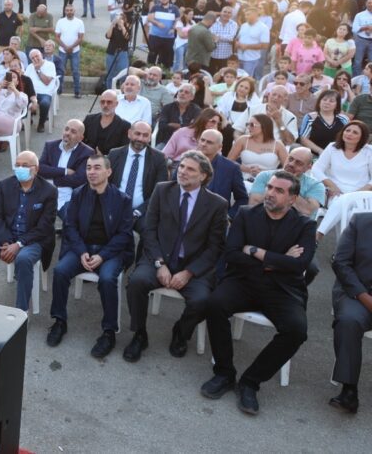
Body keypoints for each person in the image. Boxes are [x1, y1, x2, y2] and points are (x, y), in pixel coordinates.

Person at [201, 172, 315, 416]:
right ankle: (224, 373)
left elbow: (299, 265)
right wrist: (279, 260)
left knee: (296, 331)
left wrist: (255, 251)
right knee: (214, 304)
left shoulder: (305, 225)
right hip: (244, 282)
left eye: (279, 190)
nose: (270, 193)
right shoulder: (246, 214)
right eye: (269, 187)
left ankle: (250, 382)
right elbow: (232, 254)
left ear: (293, 198)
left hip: (282, 289)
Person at [123, 150, 228, 364]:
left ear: (203, 176)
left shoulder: (217, 204)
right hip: (159, 257)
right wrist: (159, 264)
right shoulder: (162, 190)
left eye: (190, 169)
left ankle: (181, 332)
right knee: (136, 282)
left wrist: (189, 273)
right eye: (181, 166)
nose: (182, 172)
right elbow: (149, 231)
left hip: (193, 265)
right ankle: (139, 334)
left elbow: (215, 247)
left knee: (203, 300)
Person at [47, 154, 135, 357]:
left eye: (97, 168)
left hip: (110, 251)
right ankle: (59, 321)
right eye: (88, 168)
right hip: (83, 248)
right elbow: (70, 226)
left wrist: (102, 256)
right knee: (60, 271)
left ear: (108, 172)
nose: (91, 172)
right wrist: (81, 252)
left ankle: (109, 332)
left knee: (107, 279)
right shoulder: (79, 194)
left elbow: (124, 235)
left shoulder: (122, 199)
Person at [0, 151, 58, 313]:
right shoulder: (4, 185)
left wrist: (18, 244)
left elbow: (44, 227)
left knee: (23, 259)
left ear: (36, 169)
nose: (20, 168)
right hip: (6, 236)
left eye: (25, 165)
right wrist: (8, 243)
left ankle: (21, 312)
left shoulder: (49, 191)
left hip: (34, 240)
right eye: (17, 165)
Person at [329, 211, 372, 413]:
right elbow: (341, 262)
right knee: (349, 320)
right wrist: (365, 297)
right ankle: (349, 390)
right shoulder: (361, 222)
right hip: (357, 293)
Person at [109, 121, 170, 235]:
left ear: (150, 138)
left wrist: (138, 211)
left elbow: (160, 191)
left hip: (142, 211)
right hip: (114, 207)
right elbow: (106, 184)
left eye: (145, 135)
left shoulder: (159, 158)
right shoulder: (114, 154)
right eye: (137, 134)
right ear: (129, 133)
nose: (140, 138)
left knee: (150, 232)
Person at [248, 147, 325, 219]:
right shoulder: (265, 175)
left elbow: (308, 211)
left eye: (298, 163)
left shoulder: (316, 186)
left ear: (308, 168)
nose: (291, 164)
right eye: (290, 159)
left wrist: (289, 182)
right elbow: (254, 204)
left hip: (295, 225)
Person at [38, 119, 94, 218]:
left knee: (70, 219)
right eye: (66, 129)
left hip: (67, 197)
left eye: (73, 131)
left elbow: (79, 179)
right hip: (45, 193)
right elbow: (40, 169)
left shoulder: (87, 152)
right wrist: (64, 171)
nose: (67, 133)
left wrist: (53, 179)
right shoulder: (50, 146)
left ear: (81, 138)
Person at [197, 128, 249, 217]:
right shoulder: (185, 162)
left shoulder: (231, 168)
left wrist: (228, 217)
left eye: (209, 142)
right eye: (202, 140)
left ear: (219, 147)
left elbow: (242, 198)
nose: (204, 144)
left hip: (216, 219)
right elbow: (175, 188)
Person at [227, 114, 288, 181]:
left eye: (252, 125)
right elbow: (228, 161)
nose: (248, 127)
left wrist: (265, 172)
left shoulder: (278, 145)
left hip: (268, 182)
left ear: (264, 126)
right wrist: (246, 169)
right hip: (243, 180)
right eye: (247, 124)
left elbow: (287, 168)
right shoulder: (243, 140)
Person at [298, 88, 350, 155]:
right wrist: (321, 151)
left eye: (331, 101)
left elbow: (349, 137)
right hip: (314, 155)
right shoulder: (310, 117)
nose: (327, 102)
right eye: (324, 100)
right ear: (319, 102)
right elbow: (303, 139)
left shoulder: (343, 119)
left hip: (338, 154)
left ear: (337, 105)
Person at [83, 90, 132, 155]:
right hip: (86, 158)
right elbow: (80, 141)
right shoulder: (89, 119)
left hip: (111, 160)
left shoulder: (124, 126)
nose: (105, 105)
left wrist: (104, 158)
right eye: (102, 102)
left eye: (109, 102)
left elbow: (123, 151)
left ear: (116, 104)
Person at [54, 4, 85, 98]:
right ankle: (58, 90)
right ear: (65, 11)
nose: (69, 12)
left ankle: (77, 92)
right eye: (67, 10)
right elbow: (57, 37)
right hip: (62, 50)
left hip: (75, 51)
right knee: (60, 71)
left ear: (74, 11)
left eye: (71, 10)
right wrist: (65, 47)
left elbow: (81, 37)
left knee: (75, 71)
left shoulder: (79, 22)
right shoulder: (60, 22)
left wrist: (71, 47)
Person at [26, 49, 58, 133]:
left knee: (45, 103)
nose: (35, 59)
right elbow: (25, 81)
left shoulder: (50, 65)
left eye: (37, 56)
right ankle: (28, 119)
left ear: (41, 55)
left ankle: (41, 123)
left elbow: (46, 81)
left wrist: (38, 70)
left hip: (45, 92)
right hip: (32, 93)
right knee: (21, 100)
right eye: (33, 58)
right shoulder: (29, 67)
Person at [146, 0, 179, 69]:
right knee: (152, 56)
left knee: (166, 58)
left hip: (168, 37)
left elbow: (177, 20)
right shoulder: (155, 7)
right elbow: (149, 18)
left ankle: (164, 72)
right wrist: (157, 23)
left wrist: (173, 28)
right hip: (155, 36)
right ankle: (150, 70)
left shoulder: (174, 8)